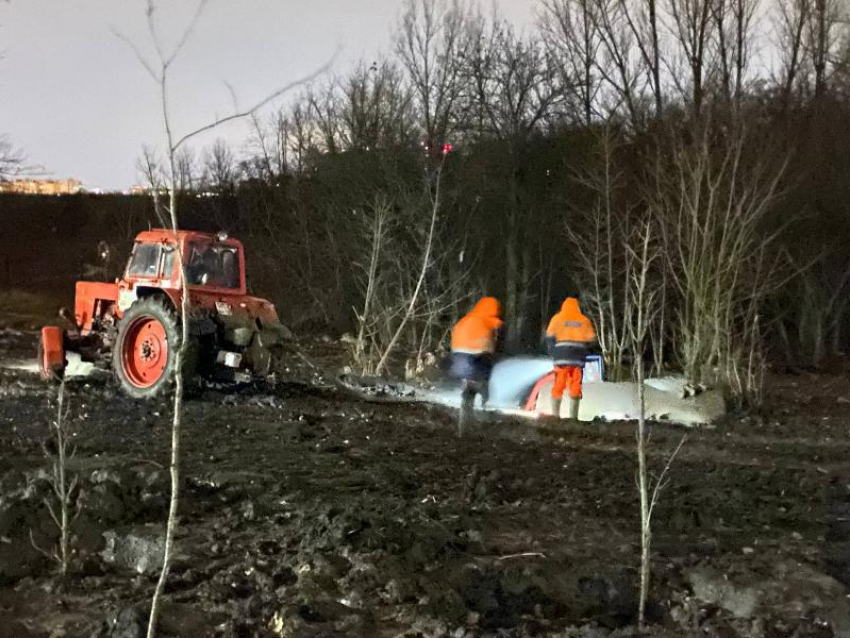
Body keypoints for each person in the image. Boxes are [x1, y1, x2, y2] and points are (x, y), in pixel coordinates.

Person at [449, 297, 503, 434]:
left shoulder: (466, 320)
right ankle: (483, 404)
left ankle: (464, 426)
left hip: (459, 357)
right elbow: (491, 343)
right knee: (480, 384)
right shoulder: (487, 321)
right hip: (477, 356)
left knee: (467, 394)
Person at [545, 296, 596, 420]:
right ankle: (574, 417)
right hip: (577, 359)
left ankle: (555, 416)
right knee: (575, 386)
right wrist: (585, 351)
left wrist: (552, 353)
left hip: (561, 358)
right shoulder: (584, 320)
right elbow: (592, 339)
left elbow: (549, 336)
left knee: (559, 385)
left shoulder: (557, 318)